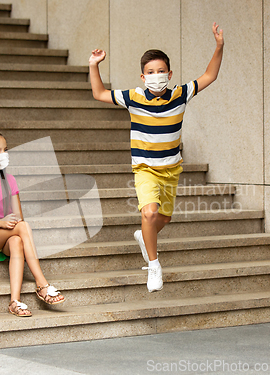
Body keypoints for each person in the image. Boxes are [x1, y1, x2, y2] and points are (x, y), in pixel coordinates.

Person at [88, 23, 224, 292]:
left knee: (162, 219)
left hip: (171, 169)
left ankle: (143, 236)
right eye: (151, 72)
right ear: (143, 77)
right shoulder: (134, 97)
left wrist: (219, 46)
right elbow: (99, 93)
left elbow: (210, 75)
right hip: (145, 168)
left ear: (169, 73)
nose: (157, 76)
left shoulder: (180, 94)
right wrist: (94, 65)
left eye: (161, 71)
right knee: (149, 213)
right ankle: (154, 265)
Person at [0, 127, 65, 317]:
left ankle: (15, 301)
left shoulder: (10, 180)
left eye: (5, 150)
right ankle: (42, 284)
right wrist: (0, 223)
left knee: (17, 241)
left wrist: (10, 223)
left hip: (8, 233)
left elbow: (18, 217)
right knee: (22, 228)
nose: (4, 154)